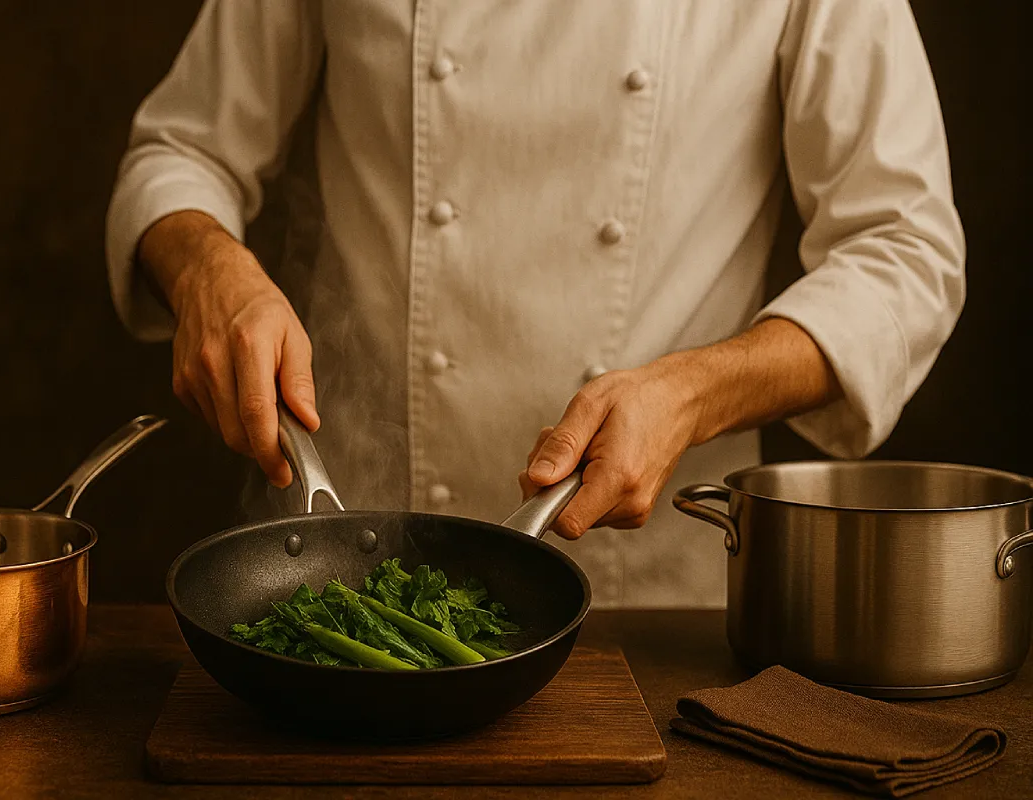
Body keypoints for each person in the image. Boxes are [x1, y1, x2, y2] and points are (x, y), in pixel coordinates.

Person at [105, 0, 965, 608]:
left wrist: (695, 391)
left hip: (657, 601)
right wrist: (208, 267)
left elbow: (906, 252)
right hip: (355, 560)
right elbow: (180, 151)